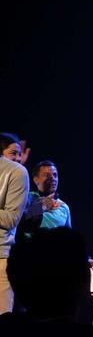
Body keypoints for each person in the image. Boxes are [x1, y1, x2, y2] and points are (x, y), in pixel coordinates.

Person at [0, 134, 28, 314]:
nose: (18, 157)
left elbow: (11, 218)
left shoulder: (16, 172)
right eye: (13, 153)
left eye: (19, 153)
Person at [18, 160, 71, 242]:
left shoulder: (63, 206)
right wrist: (40, 208)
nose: (52, 178)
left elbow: (69, 236)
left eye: (55, 175)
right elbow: (16, 221)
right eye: (47, 175)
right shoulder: (26, 198)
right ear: (36, 180)